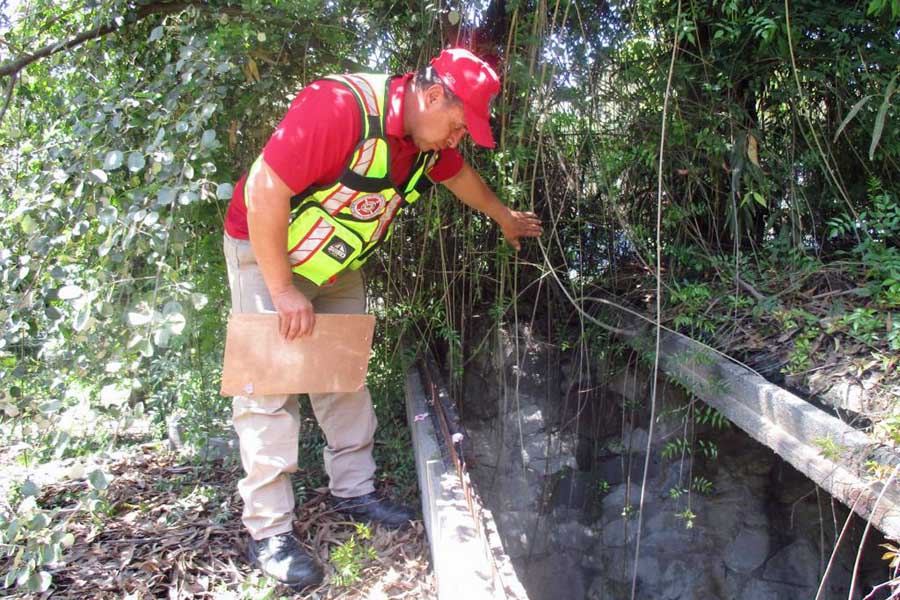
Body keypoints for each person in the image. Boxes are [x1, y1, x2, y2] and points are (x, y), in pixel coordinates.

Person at [222, 47, 542, 588]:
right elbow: (264, 188)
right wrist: (280, 289)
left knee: (342, 378)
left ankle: (354, 493)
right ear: (434, 95)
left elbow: (460, 176)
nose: (456, 139)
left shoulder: (425, 140)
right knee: (269, 389)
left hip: (333, 261)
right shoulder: (338, 107)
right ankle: (269, 533)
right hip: (266, 250)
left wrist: (504, 216)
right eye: (459, 126)